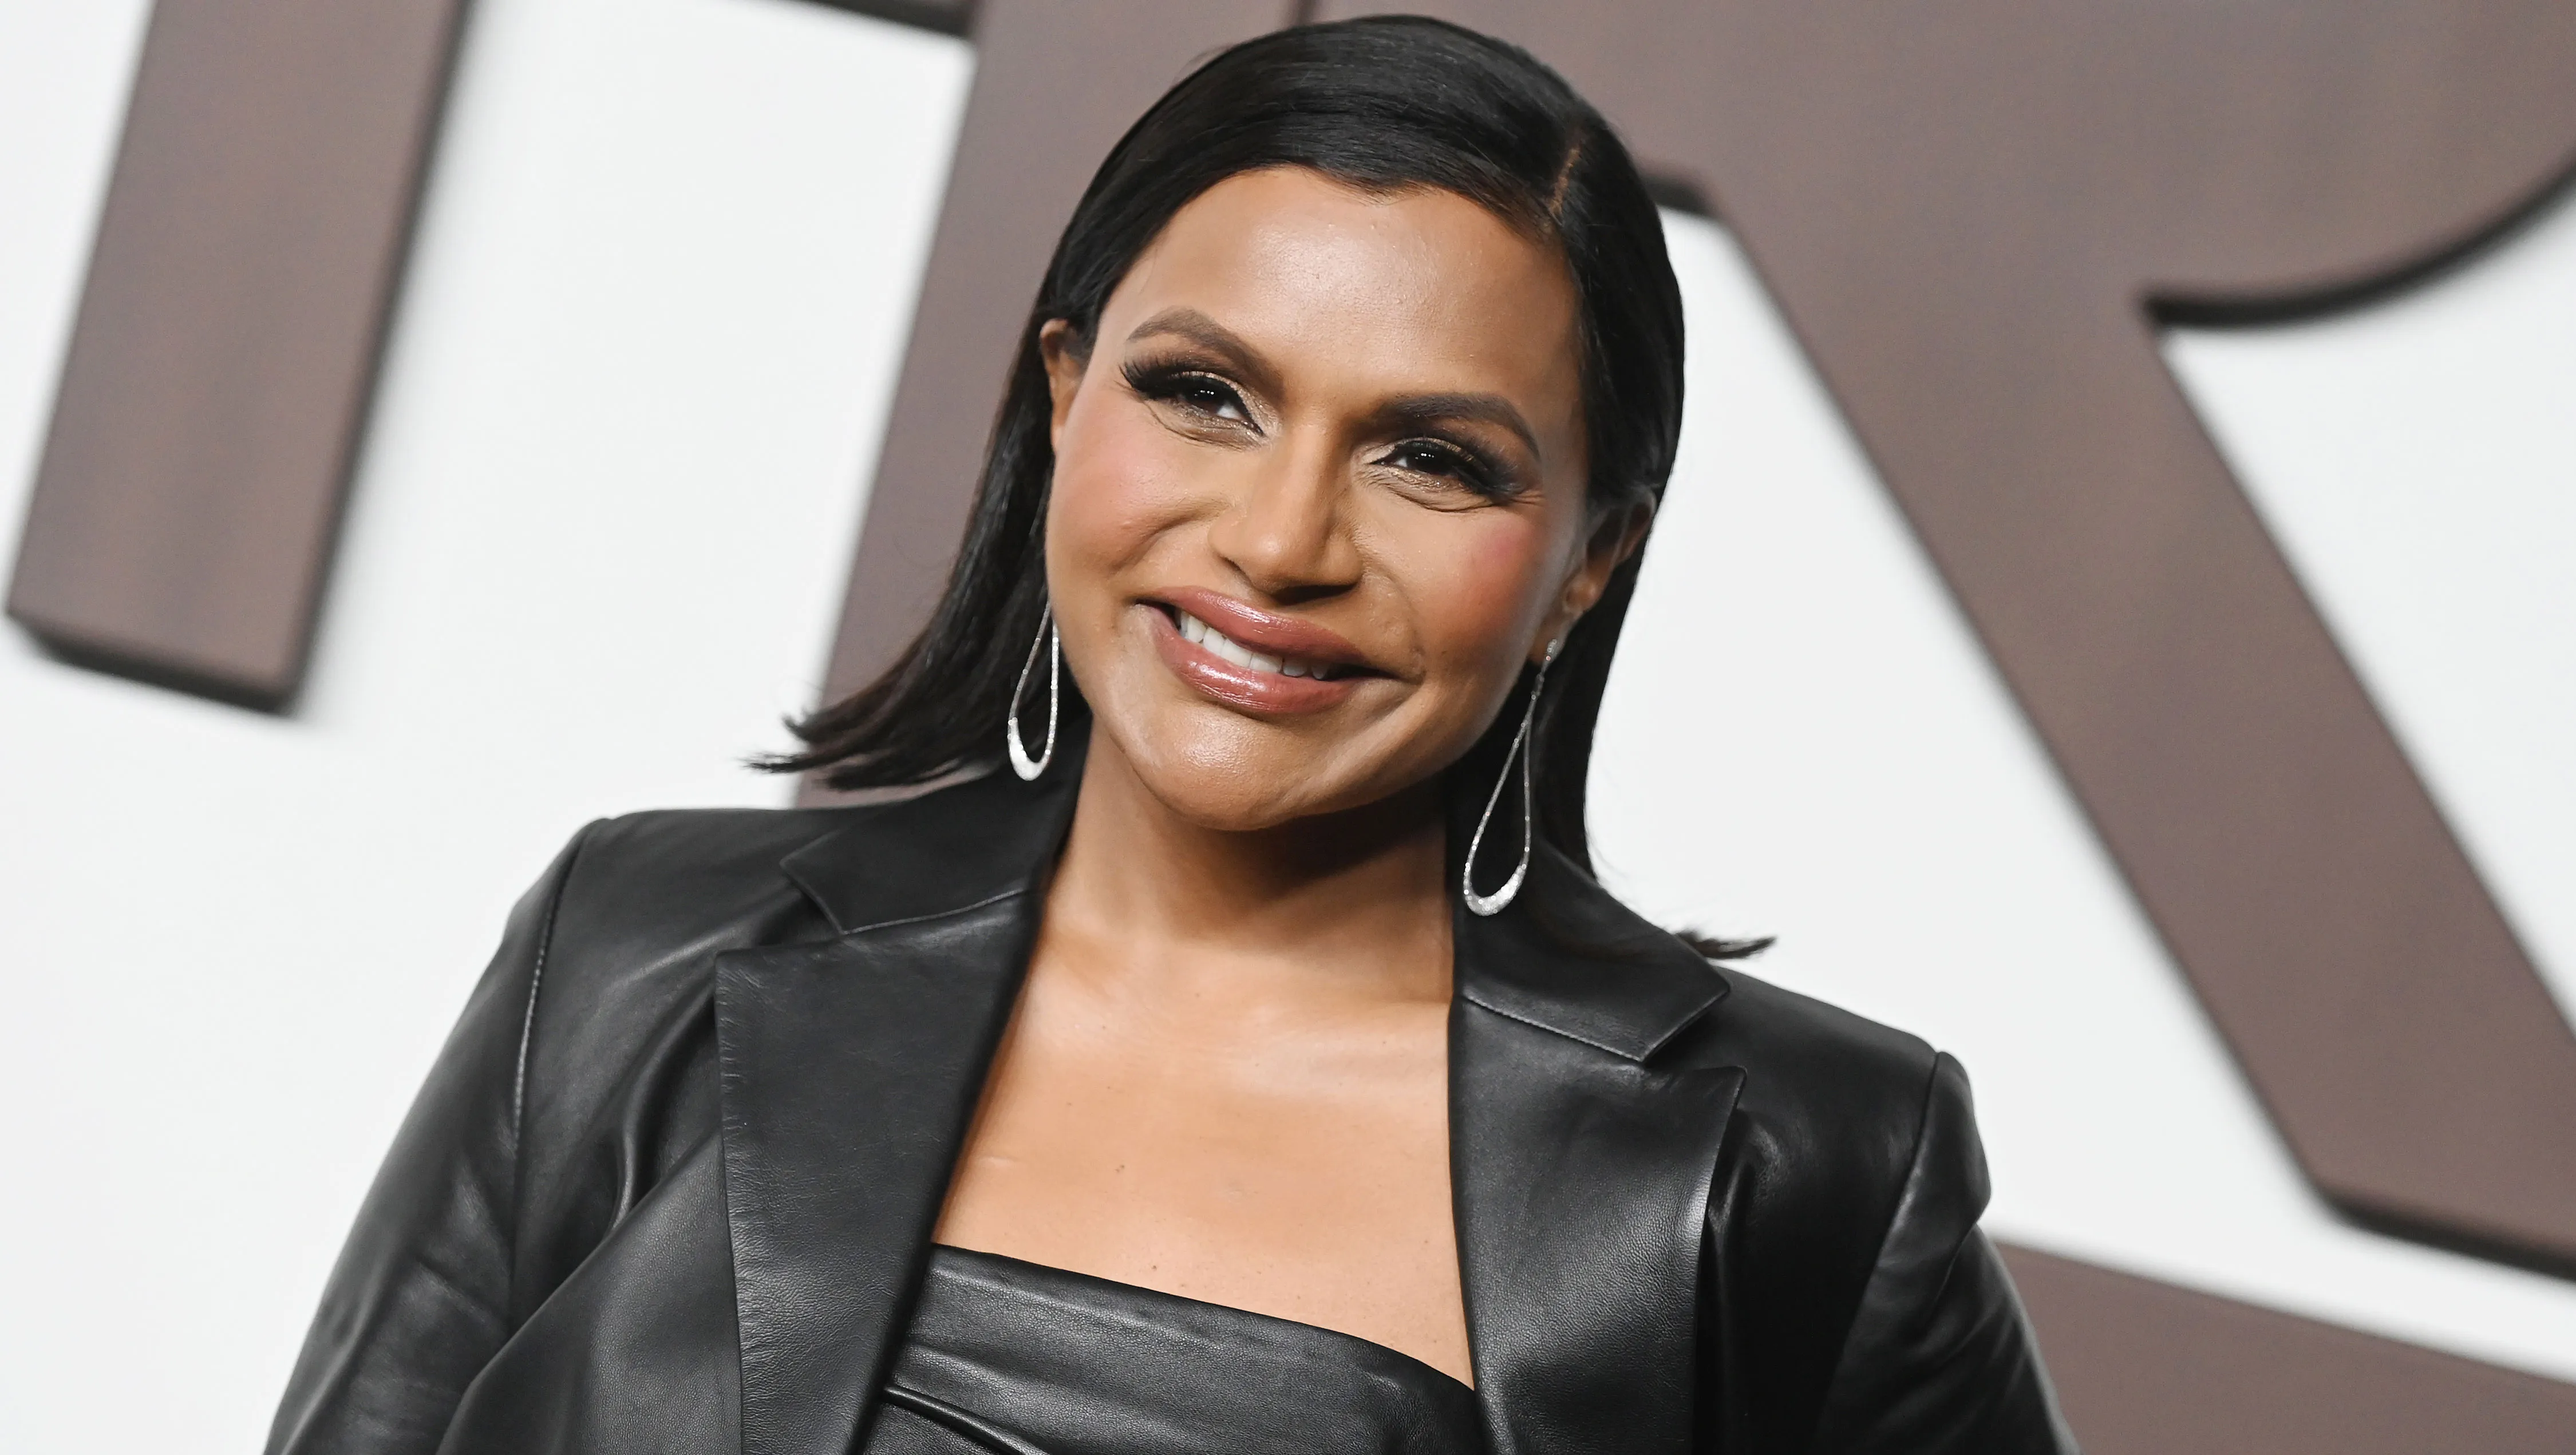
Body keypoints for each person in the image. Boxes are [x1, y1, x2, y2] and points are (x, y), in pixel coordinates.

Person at [268, 17, 2073, 1455]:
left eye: (1431, 458)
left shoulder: (1795, 1168)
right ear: (1062, 395)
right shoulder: (641, 942)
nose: (1281, 542)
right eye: (1202, 394)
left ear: (1589, 556)